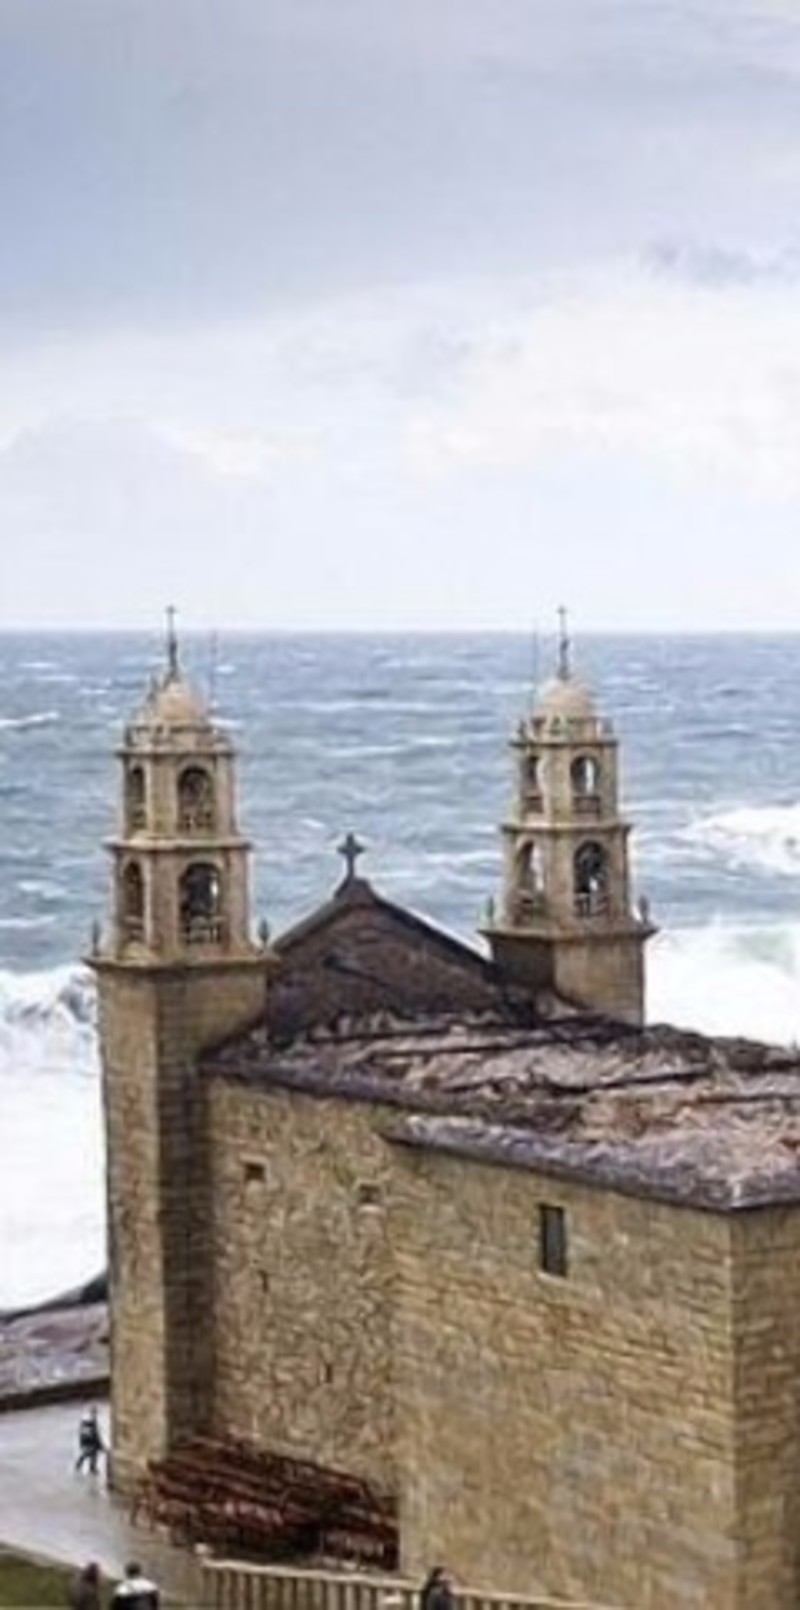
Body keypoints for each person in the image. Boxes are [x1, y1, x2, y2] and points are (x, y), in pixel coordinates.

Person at [74, 1406, 105, 1476]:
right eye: (95, 1413)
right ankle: (90, 1468)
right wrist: (100, 1445)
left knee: (89, 1454)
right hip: (89, 1441)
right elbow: (95, 1434)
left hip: (88, 1441)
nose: (95, 1415)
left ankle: (87, 1467)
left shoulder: (88, 1422)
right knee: (90, 1454)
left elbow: (92, 1433)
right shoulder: (91, 1423)